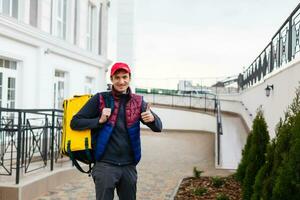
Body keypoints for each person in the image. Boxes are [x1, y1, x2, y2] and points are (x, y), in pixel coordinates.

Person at [70, 62, 162, 200]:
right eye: (117, 78)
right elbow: (75, 122)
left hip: (129, 166)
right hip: (105, 166)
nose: (121, 81)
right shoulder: (100, 98)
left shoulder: (138, 102)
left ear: (129, 78)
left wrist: (152, 119)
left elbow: (159, 127)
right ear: (111, 79)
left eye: (124, 77)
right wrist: (99, 121)